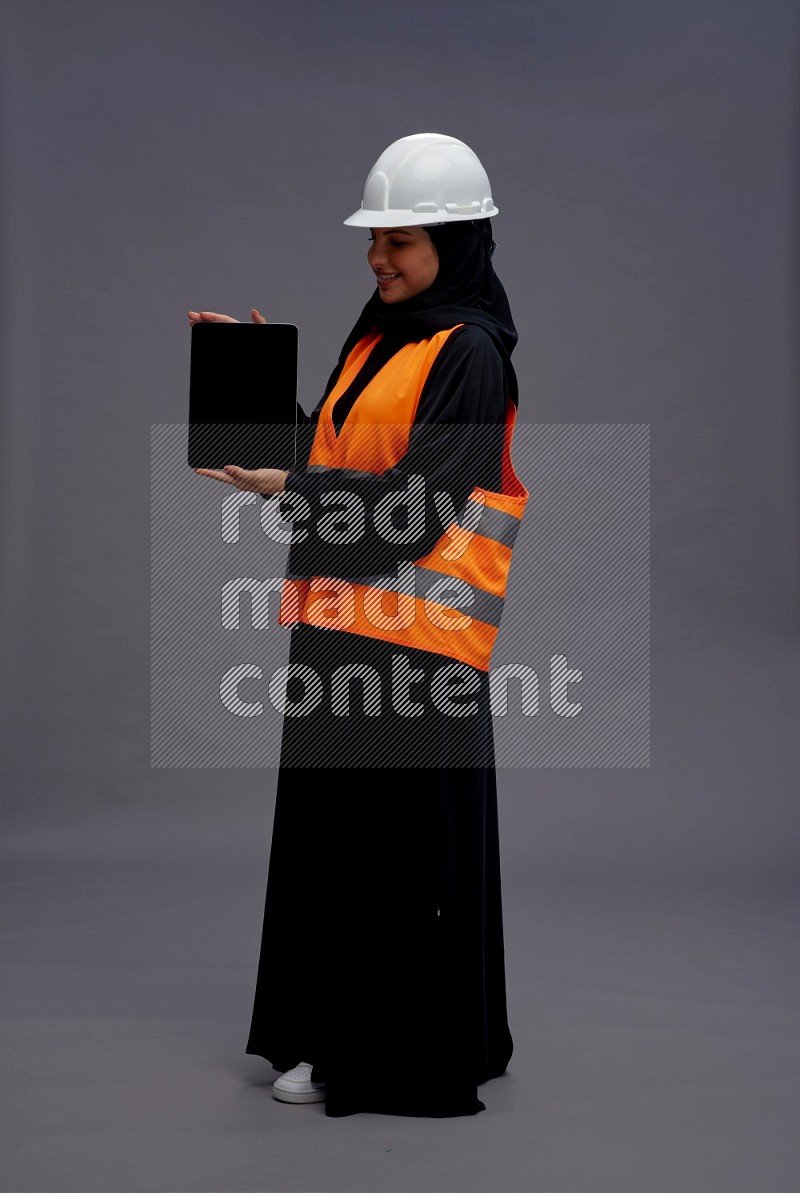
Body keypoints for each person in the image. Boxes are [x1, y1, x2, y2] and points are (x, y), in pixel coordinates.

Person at [189, 133, 528, 1118]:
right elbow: (345, 456)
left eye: (402, 243)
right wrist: (260, 402)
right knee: (332, 846)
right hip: (337, 631)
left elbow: (415, 513)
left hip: (418, 653)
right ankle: (323, 1036)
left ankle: (393, 1056)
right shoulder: (380, 335)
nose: (379, 260)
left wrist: (288, 485)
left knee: (396, 857)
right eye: (374, 240)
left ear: (457, 245)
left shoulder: (470, 355)